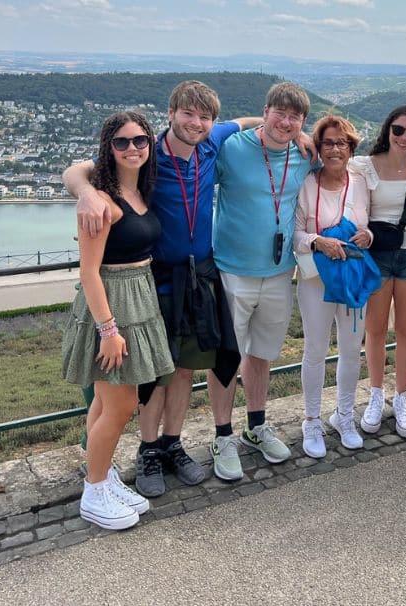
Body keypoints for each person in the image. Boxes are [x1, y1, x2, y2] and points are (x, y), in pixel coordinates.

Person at [63, 81, 262, 497]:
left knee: (186, 366)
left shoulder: (211, 141)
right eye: (188, 113)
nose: (197, 122)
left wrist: (295, 131)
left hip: (199, 276)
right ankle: (148, 449)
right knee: (155, 371)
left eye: (204, 116)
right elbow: (81, 169)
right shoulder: (145, 148)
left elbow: (244, 122)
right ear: (170, 114)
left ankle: (173, 443)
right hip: (155, 278)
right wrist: (84, 193)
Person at [62, 111, 174, 529]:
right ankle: (94, 492)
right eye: (122, 142)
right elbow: (88, 272)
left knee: (109, 403)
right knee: (122, 404)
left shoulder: (139, 191)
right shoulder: (100, 202)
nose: (133, 149)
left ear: (150, 145)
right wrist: (108, 330)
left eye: (140, 141)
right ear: (108, 148)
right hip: (112, 305)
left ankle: (103, 476)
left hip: (138, 297)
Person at [206, 82, 317, 479]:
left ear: (303, 122)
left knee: (262, 354)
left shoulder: (305, 155)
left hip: (279, 272)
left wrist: (306, 138)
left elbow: (342, 169)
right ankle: (222, 436)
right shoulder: (232, 148)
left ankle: (256, 426)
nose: (286, 123)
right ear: (265, 111)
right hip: (231, 270)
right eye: (279, 113)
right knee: (225, 358)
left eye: (295, 117)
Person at [351, 106, 406, 438]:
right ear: (388, 129)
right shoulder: (364, 166)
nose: (404, 137)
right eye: (399, 130)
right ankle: (377, 394)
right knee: (374, 331)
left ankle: (401, 397)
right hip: (376, 253)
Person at [293, 115, 374, 458]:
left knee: (351, 348)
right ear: (319, 147)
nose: (335, 149)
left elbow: (369, 226)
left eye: (342, 143)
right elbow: (294, 235)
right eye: (328, 143)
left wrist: (369, 235)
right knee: (315, 349)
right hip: (315, 279)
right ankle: (311, 419)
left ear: (351, 148)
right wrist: (318, 241)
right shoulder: (306, 184)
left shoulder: (360, 182)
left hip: (352, 275)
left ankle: (344, 415)